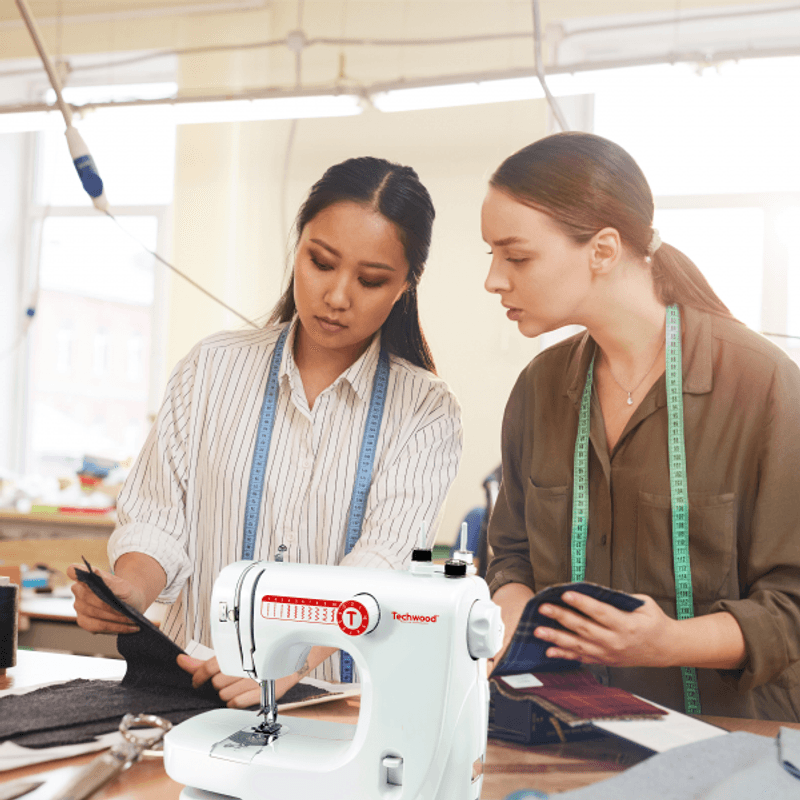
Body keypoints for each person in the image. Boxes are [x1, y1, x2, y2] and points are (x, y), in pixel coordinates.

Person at [69, 156, 462, 708]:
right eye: (320, 262)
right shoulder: (211, 368)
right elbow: (159, 523)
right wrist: (130, 591)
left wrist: (289, 658)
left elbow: (381, 562)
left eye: (371, 280)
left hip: (333, 707)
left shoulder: (425, 408)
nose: (338, 296)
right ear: (297, 245)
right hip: (189, 695)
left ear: (405, 285)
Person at [482, 131, 800, 719]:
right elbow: (510, 554)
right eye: (492, 256)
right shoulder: (538, 390)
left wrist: (668, 644)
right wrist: (514, 611)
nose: (494, 280)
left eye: (517, 256)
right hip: (567, 732)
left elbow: (793, 607)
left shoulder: (766, 387)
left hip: (730, 746)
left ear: (603, 250)